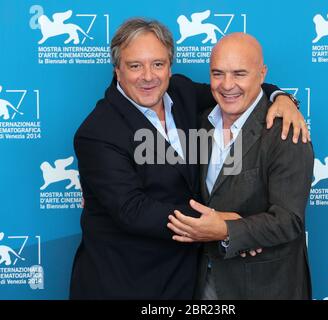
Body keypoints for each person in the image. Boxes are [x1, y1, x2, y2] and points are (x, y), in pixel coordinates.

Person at [69, 18, 309, 299]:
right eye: (135, 66)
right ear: (117, 70)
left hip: (186, 279)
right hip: (125, 280)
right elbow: (133, 210)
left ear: (170, 67)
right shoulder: (97, 132)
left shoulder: (180, 93)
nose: (148, 76)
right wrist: (227, 227)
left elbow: (232, 89)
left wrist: (281, 97)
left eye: (158, 64)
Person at [167, 33, 314, 299]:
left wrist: (228, 230)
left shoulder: (286, 133)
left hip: (266, 287)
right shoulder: (201, 123)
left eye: (239, 73)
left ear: (262, 74)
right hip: (205, 280)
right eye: (217, 73)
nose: (227, 85)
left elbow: (289, 221)